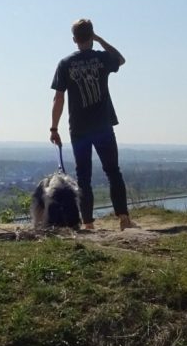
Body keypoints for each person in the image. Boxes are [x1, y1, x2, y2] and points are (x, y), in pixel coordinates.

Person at [49, 19, 135, 230]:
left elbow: (58, 98)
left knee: (83, 176)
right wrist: (101, 40)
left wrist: (54, 127)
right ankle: (123, 219)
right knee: (113, 172)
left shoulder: (65, 63)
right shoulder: (102, 58)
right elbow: (121, 59)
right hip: (103, 125)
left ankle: (88, 222)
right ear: (91, 35)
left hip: (79, 128)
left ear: (74, 39)